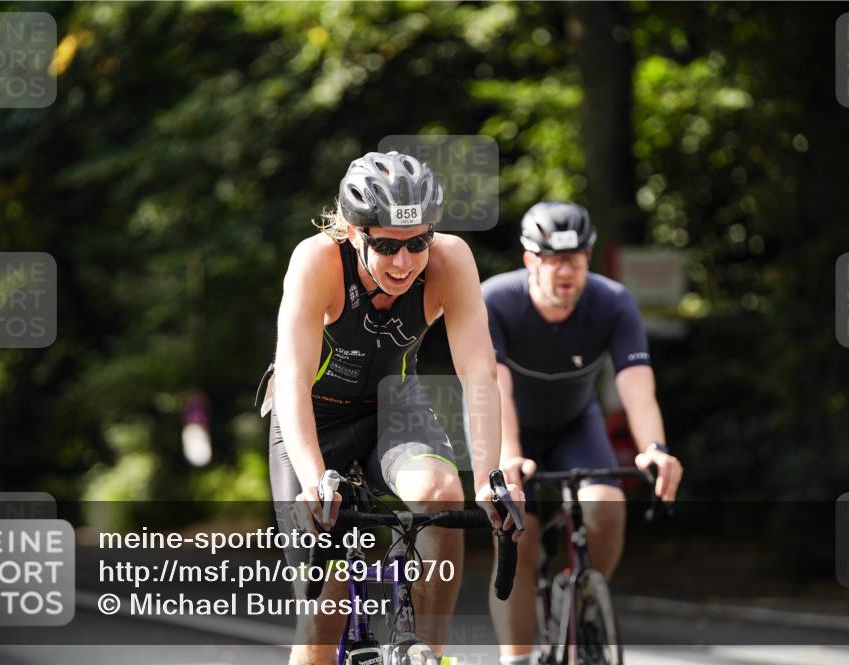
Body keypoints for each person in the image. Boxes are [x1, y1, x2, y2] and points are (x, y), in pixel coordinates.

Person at [266, 151, 523, 665]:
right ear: (351, 231)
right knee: (325, 611)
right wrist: (315, 479)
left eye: (417, 243)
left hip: (392, 410)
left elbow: (477, 372)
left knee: (441, 494)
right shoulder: (316, 260)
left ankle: (426, 653)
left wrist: (490, 477)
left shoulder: (452, 260)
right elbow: (291, 381)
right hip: (313, 421)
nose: (404, 263)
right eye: (385, 246)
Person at [482, 201, 684, 665]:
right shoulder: (495, 300)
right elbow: (494, 390)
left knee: (608, 507)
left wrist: (655, 448)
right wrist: (509, 456)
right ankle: (517, 658)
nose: (564, 271)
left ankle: (586, 603)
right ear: (530, 260)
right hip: (512, 428)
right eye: (552, 259)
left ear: (588, 257)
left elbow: (636, 388)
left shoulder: (612, 301)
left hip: (576, 423)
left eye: (574, 259)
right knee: (517, 535)